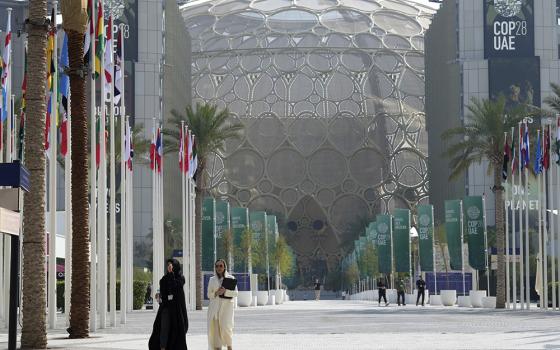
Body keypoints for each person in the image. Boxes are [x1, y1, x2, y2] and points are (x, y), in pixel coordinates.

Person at [148, 259, 189, 350]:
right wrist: (159, 297)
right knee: (164, 329)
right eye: (168, 266)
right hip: (166, 308)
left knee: (177, 330)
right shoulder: (163, 280)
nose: (169, 267)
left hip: (177, 310)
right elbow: (163, 294)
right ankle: (162, 347)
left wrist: (171, 274)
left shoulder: (181, 278)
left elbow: (175, 286)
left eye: (171, 265)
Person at [207, 259, 238, 350]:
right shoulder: (212, 280)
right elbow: (209, 294)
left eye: (221, 266)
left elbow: (236, 293)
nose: (219, 268)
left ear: (224, 267)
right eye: (217, 266)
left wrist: (225, 291)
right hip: (215, 310)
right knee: (216, 335)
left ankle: (229, 347)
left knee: (226, 330)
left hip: (226, 310)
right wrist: (216, 293)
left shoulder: (231, 278)